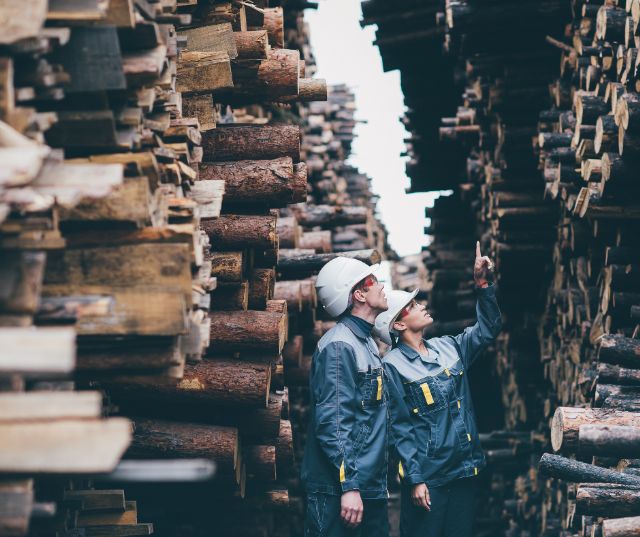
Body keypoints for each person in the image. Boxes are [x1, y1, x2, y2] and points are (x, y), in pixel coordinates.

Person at [374, 242, 502, 537]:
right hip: (430, 480)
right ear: (398, 325)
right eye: (413, 306)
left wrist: (483, 285)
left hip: (464, 471)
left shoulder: (448, 347)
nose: (422, 306)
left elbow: (488, 329)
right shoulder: (392, 366)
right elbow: (399, 429)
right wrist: (415, 480)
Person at [301, 257, 424, 537]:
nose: (382, 286)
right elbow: (334, 423)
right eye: (373, 282)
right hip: (340, 491)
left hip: (369, 487)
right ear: (358, 295)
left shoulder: (366, 342)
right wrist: (349, 487)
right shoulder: (339, 347)